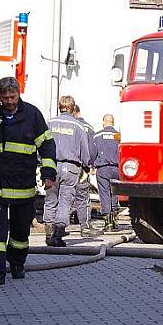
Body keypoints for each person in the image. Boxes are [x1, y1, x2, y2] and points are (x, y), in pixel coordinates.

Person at [0, 77, 56, 286]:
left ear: (19, 93)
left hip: (22, 186)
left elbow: (46, 145)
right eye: (5, 97)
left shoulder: (32, 114)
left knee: (19, 232)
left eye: (12, 96)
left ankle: (16, 264)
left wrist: (48, 173)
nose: (9, 101)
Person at [42, 95, 90, 247]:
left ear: (59, 107)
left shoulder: (49, 123)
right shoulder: (78, 126)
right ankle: (58, 234)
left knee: (50, 199)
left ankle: (48, 232)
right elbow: (85, 151)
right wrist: (87, 165)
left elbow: (41, 143)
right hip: (70, 168)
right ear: (73, 109)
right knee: (65, 201)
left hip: (51, 165)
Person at [72, 105, 97, 237]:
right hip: (81, 167)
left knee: (63, 196)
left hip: (63, 166)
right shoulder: (87, 128)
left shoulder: (62, 125)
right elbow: (92, 149)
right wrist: (89, 164)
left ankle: (57, 228)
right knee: (82, 196)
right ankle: (85, 227)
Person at [93, 114, 121, 230]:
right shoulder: (118, 136)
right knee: (114, 192)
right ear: (113, 123)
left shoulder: (97, 135)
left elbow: (92, 152)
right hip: (115, 168)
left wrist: (91, 164)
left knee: (104, 193)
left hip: (102, 168)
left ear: (103, 122)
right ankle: (114, 219)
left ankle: (108, 222)